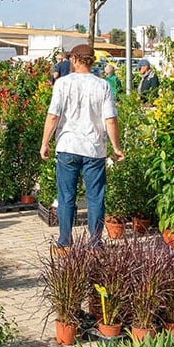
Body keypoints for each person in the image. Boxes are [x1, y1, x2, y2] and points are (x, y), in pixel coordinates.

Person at [40, 44, 124, 250]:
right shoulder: (102, 85)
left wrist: (45, 143)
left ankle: (64, 242)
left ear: (75, 60)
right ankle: (95, 243)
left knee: (66, 196)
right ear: (92, 61)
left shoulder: (62, 84)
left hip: (68, 145)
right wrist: (116, 146)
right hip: (94, 148)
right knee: (96, 198)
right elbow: (110, 119)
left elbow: (53, 115)